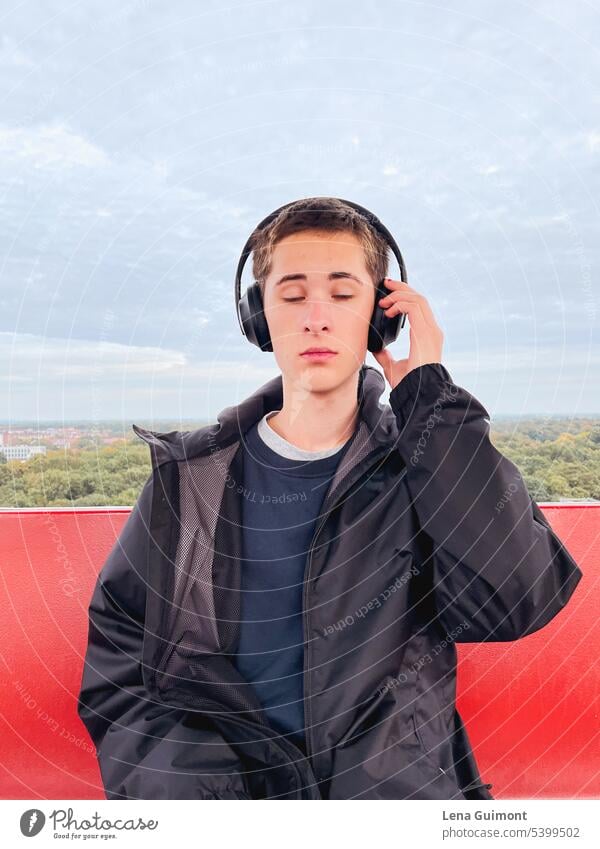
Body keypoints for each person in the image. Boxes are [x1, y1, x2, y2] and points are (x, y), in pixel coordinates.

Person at [77, 196, 583, 800]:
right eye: (291, 296)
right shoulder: (187, 482)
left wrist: (432, 402)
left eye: (343, 295)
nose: (316, 318)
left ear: (381, 318)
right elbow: (121, 663)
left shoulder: (427, 467)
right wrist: (198, 800)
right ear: (259, 318)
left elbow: (515, 603)